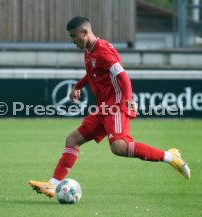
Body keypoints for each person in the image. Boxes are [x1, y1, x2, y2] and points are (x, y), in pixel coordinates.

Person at [29, 16, 190, 198]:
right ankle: (53, 184)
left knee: (119, 147)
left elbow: (123, 77)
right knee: (72, 139)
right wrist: (78, 86)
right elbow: (91, 73)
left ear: (85, 32)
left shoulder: (103, 51)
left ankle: (171, 157)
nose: (73, 41)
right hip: (104, 107)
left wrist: (128, 101)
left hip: (116, 105)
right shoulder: (89, 50)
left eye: (74, 36)